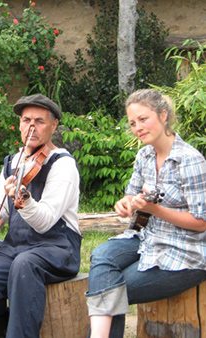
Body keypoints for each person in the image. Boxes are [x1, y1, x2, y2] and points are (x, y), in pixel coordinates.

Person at [86, 88, 206, 338]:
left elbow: (201, 222)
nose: (137, 127)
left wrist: (154, 210)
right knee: (101, 255)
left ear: (163, 115)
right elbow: (132, 196)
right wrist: (126, 203)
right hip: (146, 238)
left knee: (112, 287)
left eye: (143, 119)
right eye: (132, 123)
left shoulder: (190, 160)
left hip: (185, 253)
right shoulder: (144, 155)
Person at [0, 94, 82, 338]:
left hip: (57, 247)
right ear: (19, 125)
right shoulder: (13, 162)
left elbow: (46, 220)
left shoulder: (63, 164)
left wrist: (24, 200)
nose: (31, 127)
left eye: (39, 121)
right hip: (16, 246)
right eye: (26, 120)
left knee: (24, 264)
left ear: (53, 125)